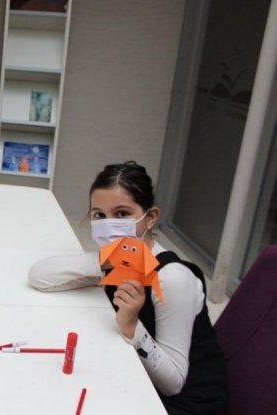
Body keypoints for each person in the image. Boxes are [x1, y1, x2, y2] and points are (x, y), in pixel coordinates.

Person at [28, 161, 228, 415]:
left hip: (183, 404)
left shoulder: (172, 278)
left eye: (122, 214)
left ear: (150, 218)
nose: (109, 224)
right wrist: (105, 260)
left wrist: (132, 326)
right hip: (135, 374)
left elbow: (173, 383)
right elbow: (40, 276)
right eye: (99, 215)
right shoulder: (118, 261)